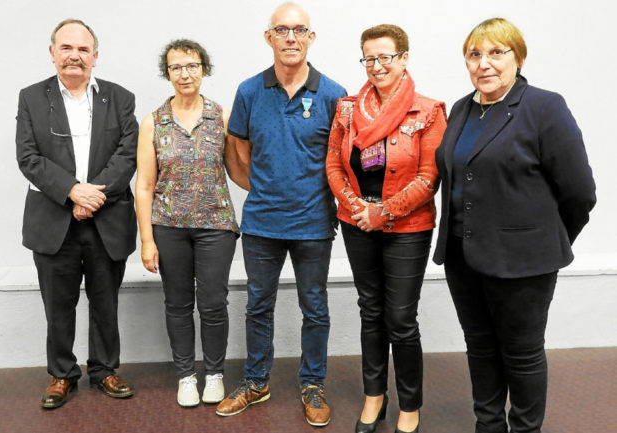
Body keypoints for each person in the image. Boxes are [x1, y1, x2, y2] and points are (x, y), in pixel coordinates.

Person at [432, 18, 596, 433]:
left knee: (521, 354)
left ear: (517, 58)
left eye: (496, 53)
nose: (484, 63)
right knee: (481, 349)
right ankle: (488, 426)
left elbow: (579, 191)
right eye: (475, 54)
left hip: (524, 261)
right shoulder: (461, 109)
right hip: (462, 256)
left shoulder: (543, 107)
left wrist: (542, 240)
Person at [215, 2, 346, 427]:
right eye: (282, 30)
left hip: (313, 224)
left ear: (311, 37)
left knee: (315, 308)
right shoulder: (250, 91)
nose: (291, 37)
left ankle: (312, 385)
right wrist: (267, 189)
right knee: (258, 306)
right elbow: (237, 153)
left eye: (300, 30)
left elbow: (340, 161)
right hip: (262, 224)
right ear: (269, 37)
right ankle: (256, 382)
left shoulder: (333, 94)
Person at [326, 24, 446, 433]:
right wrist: (357, 206)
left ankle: (409, 405)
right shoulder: (346, 109)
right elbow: (334, 165)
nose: (376, 66)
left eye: (385, 57)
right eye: (369, 58)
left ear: (404, 58)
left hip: (407, 228)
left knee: (401, 318)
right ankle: (374, 396)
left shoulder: (428, 111)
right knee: (371, 311)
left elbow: (430, 177)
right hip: (356, 222)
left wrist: (384, 212)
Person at [16, 18, 138, 409]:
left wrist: (93, 197)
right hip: (53, 222)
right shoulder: (32, 97)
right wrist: (72, 192)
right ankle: (61, 374)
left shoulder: (120, 98)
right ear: (52, 53)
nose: (75, 56)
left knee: (106, 302)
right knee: (58, 305)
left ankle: (104, 370)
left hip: (106, 220)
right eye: (66, 48)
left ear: (95, 57)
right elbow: (28, 156)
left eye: (83, 50)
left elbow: (127, 153)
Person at [135, 39, 239, 408]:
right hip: (169, 226)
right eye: (176, 67)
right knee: (178, 303)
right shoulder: (154, 122)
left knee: (213, 303)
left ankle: (214, 374)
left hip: (216, 226)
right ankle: (185, 376)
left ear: (204, 69)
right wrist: (147, 240)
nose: (185, 73)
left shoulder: (221, 116)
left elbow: (241, 170)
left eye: (192, 65)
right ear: (167, 73)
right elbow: (145, 185)